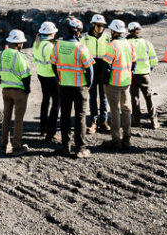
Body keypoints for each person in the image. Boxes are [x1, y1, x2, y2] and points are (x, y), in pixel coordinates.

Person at [50, 16, 94, 158]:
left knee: (65, 117)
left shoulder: (57, 45)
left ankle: (65, 147)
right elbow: (90, 69)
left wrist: (59, 77)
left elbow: (53, 64)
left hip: (64, 86)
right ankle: (80, 148)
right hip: (79, 86)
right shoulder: (81, 47)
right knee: (80, 117)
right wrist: (89, 84)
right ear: (77, 32)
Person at [0, 29, 32, 156]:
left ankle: (4, 144)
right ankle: (17, 146)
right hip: (19, 92)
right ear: (19, 43)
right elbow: (26, 76)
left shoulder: (1, 54)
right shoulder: (20, 57)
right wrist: (27, 89)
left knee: (6, 117)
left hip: (6, 91)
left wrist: (3, 83)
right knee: (18, 119)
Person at [101, 20, 137, 150]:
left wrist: (104, 81)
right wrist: (130, 74)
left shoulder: (112, 45)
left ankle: (116, 140)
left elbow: (106, 66)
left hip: (113, 83)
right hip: (126, 82)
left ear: (113, 31)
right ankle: (127, 139)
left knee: (115, 110)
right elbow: (134, 62)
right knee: (126, 109)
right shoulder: (129, 44)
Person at [32, 21, 60, 144]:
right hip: (52, 76)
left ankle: (43, 128)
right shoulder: (51, 46)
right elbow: (56, 63)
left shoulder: (36, 43)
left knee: (45, 100)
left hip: (41, 74)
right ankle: (51, 132)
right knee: (56, 103)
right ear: (51, 33)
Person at [127, 21, 159, 129]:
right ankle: (154, 121)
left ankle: (136, 121)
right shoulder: (146, 43)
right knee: (149, 97)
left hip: (131, 75)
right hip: (145, 75)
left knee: (134, 98)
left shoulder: (126, 43)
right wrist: (149, 68)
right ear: (139, 31)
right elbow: (154, 60)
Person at [84, 14, 110, 134]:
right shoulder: (85, 38)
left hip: (103, 69)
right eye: (99, 25)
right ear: (93, 25)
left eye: (103, 26)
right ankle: (93, 121)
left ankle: (104, 121)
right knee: (93, 96)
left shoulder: (107, 38)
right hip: (91, 69)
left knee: (103, 97)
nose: (101, 28)